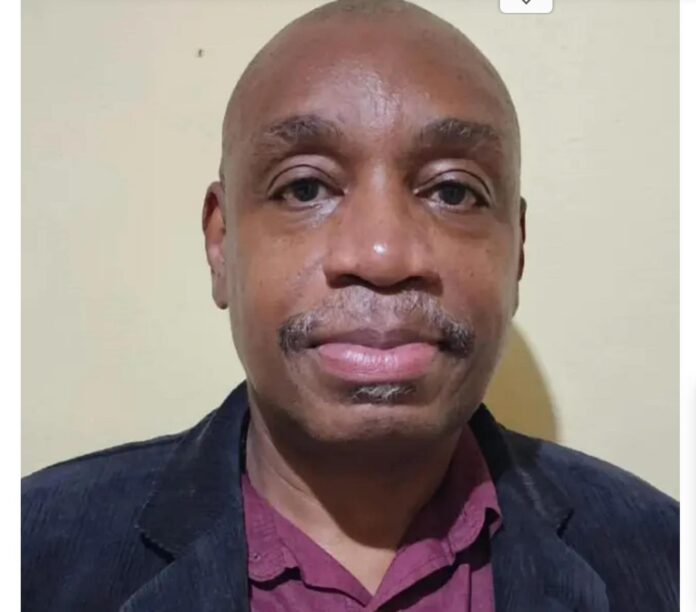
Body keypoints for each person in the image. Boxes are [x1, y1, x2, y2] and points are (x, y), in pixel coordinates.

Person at [21, 1, 679, 610]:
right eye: (305, 187)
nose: (382, 255)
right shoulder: (31, 554)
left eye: (453, 192)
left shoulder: (667, 559)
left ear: (518, 252)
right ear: (221, 245)